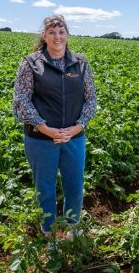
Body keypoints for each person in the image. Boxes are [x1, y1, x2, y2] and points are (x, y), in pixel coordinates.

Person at [12, 14, 97, 238]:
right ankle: (48, 233)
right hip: (40, 139)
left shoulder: (80, 63)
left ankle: (72, 230)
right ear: (44, 35)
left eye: (61, 32)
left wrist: (77, 127)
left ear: (67, 35)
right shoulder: (31, 63)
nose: (57, 37)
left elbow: (91, 100)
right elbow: (22, 100)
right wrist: (44, 128)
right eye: (52, 32)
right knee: (45, 189)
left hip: (74, 138)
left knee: (75, 185)